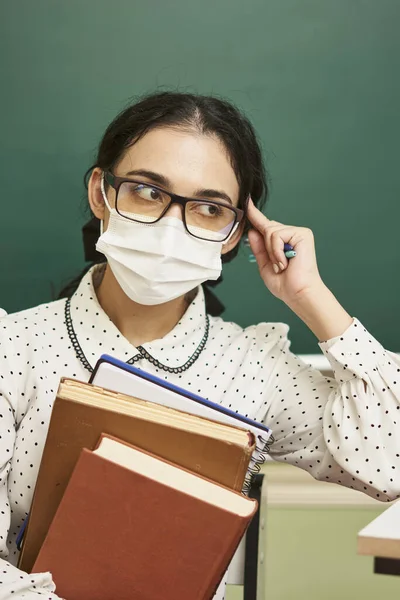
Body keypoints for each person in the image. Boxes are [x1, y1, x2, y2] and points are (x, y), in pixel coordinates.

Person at [0, 91, 399, 599]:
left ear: (235, 232)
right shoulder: (12, 349)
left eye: (209, 207)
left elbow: (391, 465)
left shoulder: (254, 367)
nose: (171, 226)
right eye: (147, 191)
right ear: (101, 192)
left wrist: (312, 299)